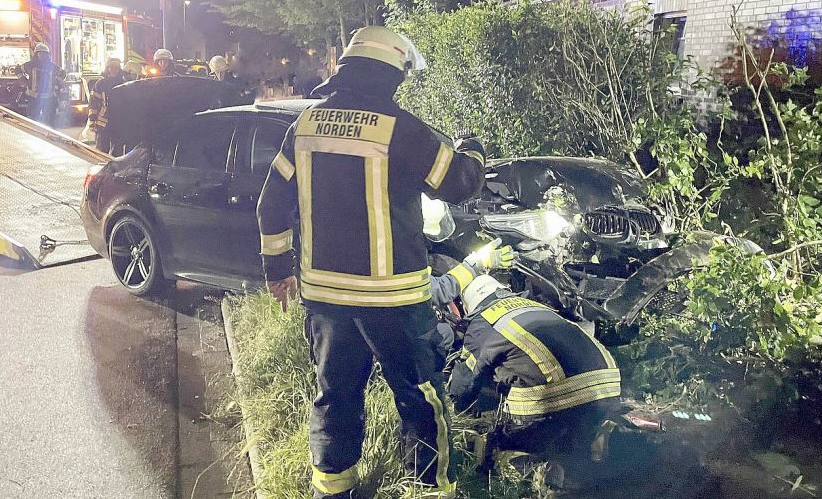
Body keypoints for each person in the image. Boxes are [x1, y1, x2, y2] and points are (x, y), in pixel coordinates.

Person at [257, 26, 486, 499]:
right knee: (420, 397)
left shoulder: (304, 126)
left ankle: (332, 489)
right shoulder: (400, 128)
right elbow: (460, 182)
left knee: (335, 395)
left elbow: (270, 206)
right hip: (393, 299)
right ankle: (429, 489)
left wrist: (278, 270)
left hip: (325, 299)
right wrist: (474, 149)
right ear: (391, 73)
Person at [449, 275, 622, 471]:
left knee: (495, 445)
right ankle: (594, 433)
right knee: (575, 427)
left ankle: (533, 467)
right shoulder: (532, 305)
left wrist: (457, 415)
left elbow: (464, 388)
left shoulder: (481, 325)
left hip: (559, 401)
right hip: (608, 385)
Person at [85, 57, 129, 152]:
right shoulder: (100, 84)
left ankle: (115, 167)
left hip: (118, 122)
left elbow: (128, 104)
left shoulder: (124, 84)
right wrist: (92, 121)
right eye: (111, 67)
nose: (114, 70)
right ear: (107, 68)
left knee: (117, 150)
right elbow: (93, 104)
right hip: (103, 123)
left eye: (116, 67)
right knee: (101, 150)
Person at [19, 43, 63, 125]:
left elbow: (63, 74)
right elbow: (18, 70)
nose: (42, 55)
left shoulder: (52, 66)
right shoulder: (30, 65)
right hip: (33, 98)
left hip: (48, 98)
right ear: (36, 54)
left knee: (49, 122)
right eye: (40, 53)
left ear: (47, 55)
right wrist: (24, 81)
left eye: (44, 54)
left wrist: (56, 83)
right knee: (32, 121)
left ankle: (48, 136)